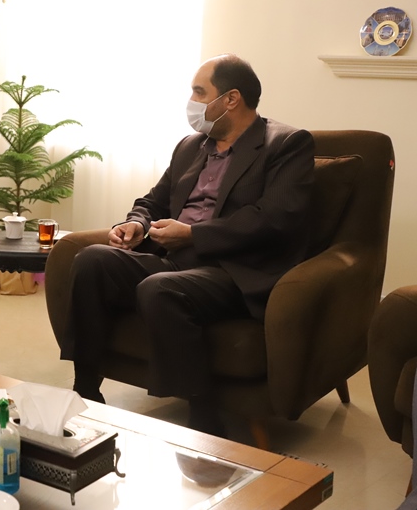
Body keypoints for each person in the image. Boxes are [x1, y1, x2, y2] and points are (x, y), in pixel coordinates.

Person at [60, 54, 314, 436]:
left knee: (160, 289)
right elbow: (153, 201)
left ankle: (203, 415)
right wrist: (136, 223)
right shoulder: (191, 146)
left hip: (231, 270)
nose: (191, 102)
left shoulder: (286, 144)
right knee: (92, 260)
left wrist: (195, 235)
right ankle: (85, 391)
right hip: (173, 257)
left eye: (199, 92)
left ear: (231, 99)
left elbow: (274, 218)